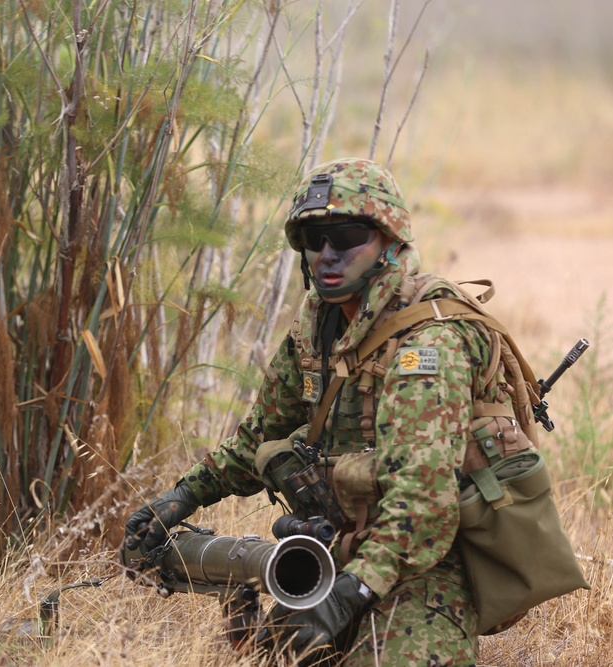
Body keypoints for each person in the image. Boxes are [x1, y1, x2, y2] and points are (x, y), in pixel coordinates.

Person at [123, 158, 511, 665]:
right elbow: (259, 434)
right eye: (313, 238)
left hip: (426, 566)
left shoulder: (426, 346)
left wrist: (345, 598)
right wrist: (182, 496)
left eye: (347, 236)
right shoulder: (316, 330)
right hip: (336, 553)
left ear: (390, 242)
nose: (327, 254)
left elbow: (423, 508)